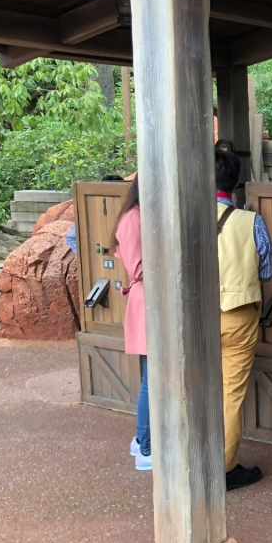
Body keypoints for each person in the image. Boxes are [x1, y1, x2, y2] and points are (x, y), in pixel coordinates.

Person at [215, 148, 272, 491]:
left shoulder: (184, 218)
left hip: (195, 319)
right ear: (236, 182)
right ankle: (224, 468)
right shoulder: (251, 221)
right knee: (230, 394)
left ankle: (191, 461)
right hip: (238, 317)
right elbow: (268, 270)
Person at [107, 177, 149, 471]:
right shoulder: (133, 218)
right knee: (153, 380)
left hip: (147, 301)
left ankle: (142, 438)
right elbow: (139, 268)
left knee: (153, 376)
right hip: (146, 302)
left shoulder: (137, 214)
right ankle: (146, 447)